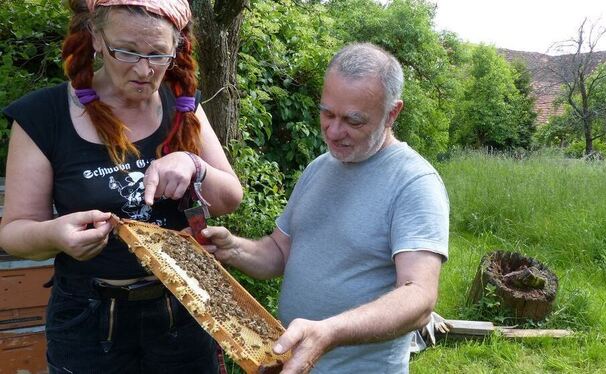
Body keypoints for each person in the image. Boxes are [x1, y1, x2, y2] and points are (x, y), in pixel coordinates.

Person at [0, 0, 242, 372]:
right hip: (89, 318)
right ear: (96, 38)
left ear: (176, 50)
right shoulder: (42, 116)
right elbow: (14, 233)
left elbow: (230, 199)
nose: (144, 70)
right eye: (126, 51)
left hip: (183, 307)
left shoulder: (183, 105)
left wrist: (193, 165)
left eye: (158, 55)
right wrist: (55, 234)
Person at [201, 43, 450, 373]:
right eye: (327, 113)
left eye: (353, 121)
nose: (333, 132)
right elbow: (279, 252)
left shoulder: (414, 182)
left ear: (392, 113)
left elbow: (418, 297)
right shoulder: (320, 167)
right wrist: (234, 250)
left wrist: (330, 332)